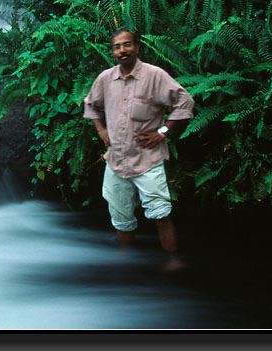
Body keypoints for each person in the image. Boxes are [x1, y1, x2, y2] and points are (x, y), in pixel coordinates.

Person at [83, 28, 194, 253]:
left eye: (127, 44)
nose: (122, 50)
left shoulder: (155, 76)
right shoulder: (106, 79)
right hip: (116, 161)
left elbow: (185, 103)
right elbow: (90, 105)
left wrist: (162, 131)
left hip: (147, 160)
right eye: (117, 46)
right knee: (121, 217)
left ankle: (173, 265)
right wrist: (101, 129)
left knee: (161, 214)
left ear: (136, 47)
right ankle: (127, 269)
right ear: (113, 51)